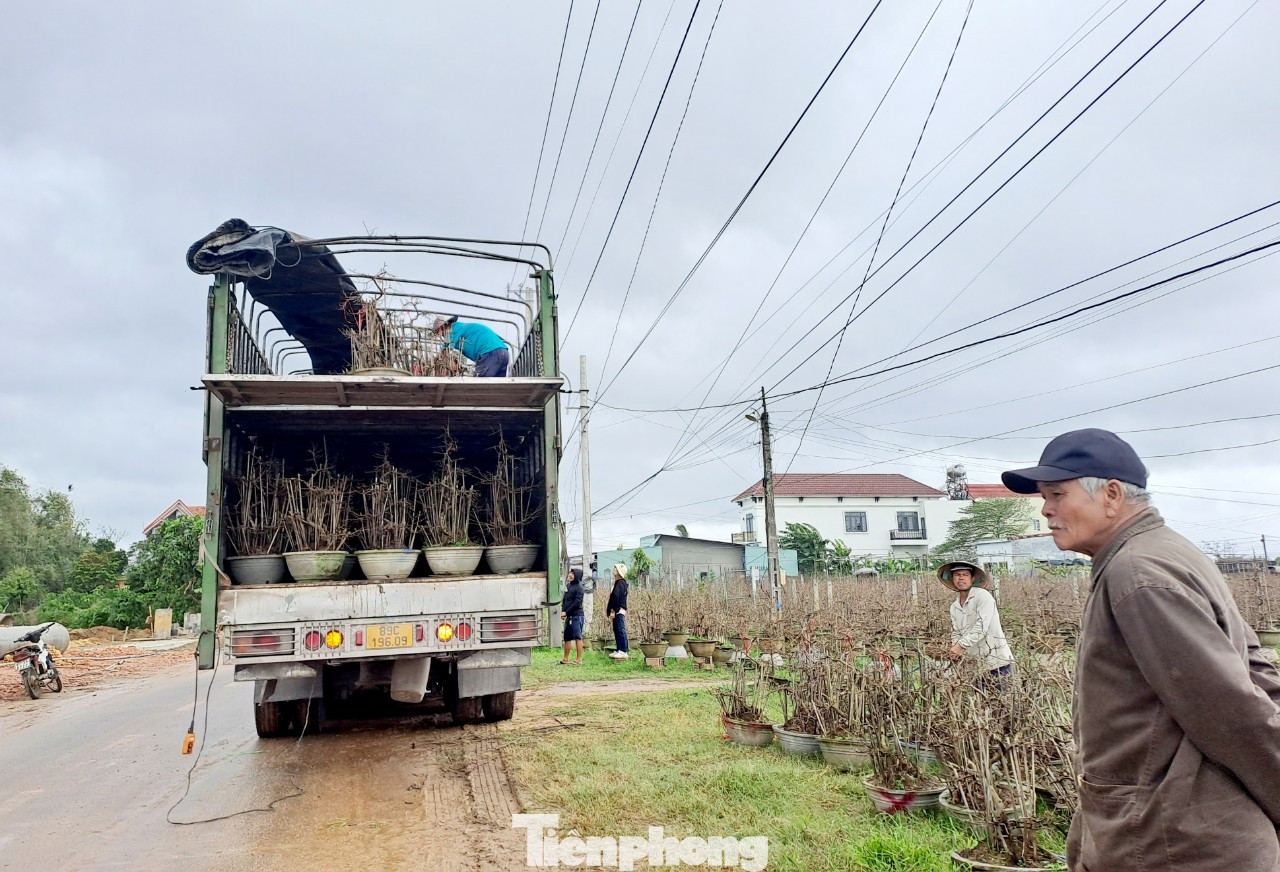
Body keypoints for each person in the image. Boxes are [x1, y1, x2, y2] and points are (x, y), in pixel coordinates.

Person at [1002, 428, 1280, 871]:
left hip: (1172, 841)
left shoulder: (1138, 573)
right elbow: (1257, 671)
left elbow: (1231, 709)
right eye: (1043, 496)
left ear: (1111, 494)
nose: (1046, 509)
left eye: (1056, 493)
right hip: (1176, 828)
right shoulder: (1165, 552)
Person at [937, 560, 1013, 680]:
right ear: (952, 578)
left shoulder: (982, 596)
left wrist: (960, 645)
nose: (961, 578)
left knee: (1002, 697)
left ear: (972, 579)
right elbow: (956, 631)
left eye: (965, 575)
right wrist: (955, 649)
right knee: (979, 698)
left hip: (996, 661)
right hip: (975, 665)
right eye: (957, 575)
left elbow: (981, 627)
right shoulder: (954, 607)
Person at [432, 315, 510, 377]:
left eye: (439, 333)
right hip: (503, 352)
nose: (442, 337)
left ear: (441, 328)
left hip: (489, 353)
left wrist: (434, 366)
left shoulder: (452, 330)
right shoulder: (462, 327)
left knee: (479, 386)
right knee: (497, 387)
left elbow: (444, 354)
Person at [559, 568, 585, 665]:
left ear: (577, 576)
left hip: (577, 616)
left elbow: (577, 603)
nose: (570, 575)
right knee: (567, 637)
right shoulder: (568, 586)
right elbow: (565, 600)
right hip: (569, 616)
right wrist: (563, 611)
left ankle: (579, 659)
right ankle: (565, 659)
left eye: (572, 574)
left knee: (578, 637)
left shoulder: (579, 588)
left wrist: (566, 612)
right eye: (570, 573)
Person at [606, 563, 629, 660]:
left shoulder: (620, 583)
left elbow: (616, 598)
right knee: (617, 630)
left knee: (620, 630)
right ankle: (620, 649)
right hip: (617, 610)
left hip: (618, 610)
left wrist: (613, 610)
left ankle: (623, 651)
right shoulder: (619, 583)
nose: (613, 570)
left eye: (615, 568)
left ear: (619, 571)